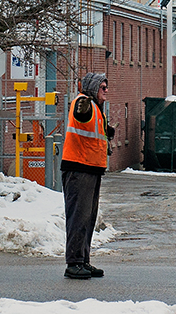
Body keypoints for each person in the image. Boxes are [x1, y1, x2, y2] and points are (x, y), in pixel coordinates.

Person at [62, 72, 114, 280]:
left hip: (91, 168)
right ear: (93, 88)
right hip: (79, 168)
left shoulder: (96, 108)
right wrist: (86, 98)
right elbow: (80, 114)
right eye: (103, 87)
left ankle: (82, 260)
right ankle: (73, 263)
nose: (106, 91)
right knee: (78, 216)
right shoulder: (83, 103)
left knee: (88, 218)